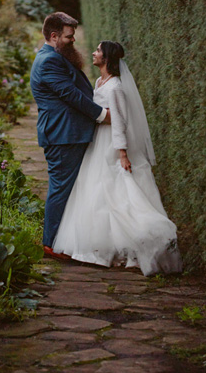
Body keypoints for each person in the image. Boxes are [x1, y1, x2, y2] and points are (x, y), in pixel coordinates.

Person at [52, 41, 183, 276]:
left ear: (107, 58)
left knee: (116, 192)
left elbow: (121, 121)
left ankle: (139, 243)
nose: (93, 53)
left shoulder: (116, 87)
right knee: (95, 191)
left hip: (112, 144)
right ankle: (97, 249)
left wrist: (122, 152)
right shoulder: (99, 82)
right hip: (97, 142)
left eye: (98, 51)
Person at [30, 12, 110, 259]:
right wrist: (101, 115)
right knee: (61, 188)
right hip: (63, 134)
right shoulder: (48, 62)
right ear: (53, 36)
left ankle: (63, 239)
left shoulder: (53, 56)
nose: (72, 40)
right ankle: (52, 244)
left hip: (67, 133)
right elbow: (70, 94)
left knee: (69, 187)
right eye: (68, 36)